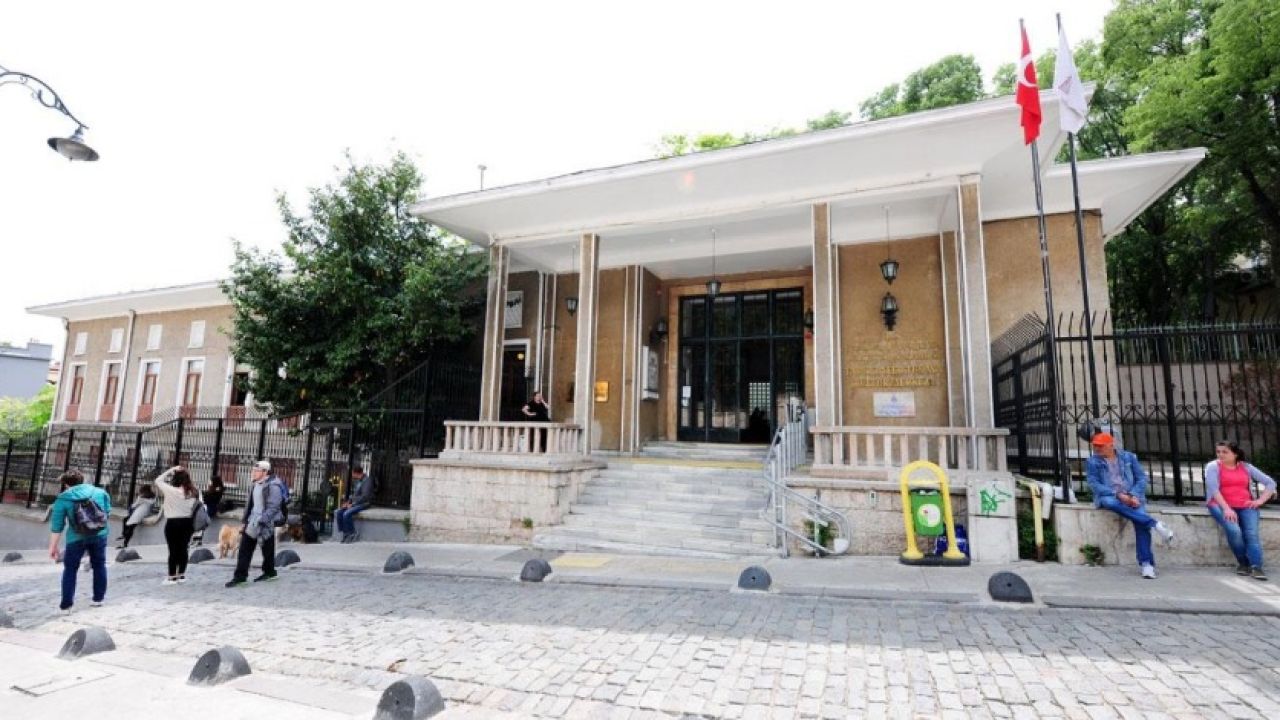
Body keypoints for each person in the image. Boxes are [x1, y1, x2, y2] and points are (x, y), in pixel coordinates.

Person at [1085, 432, 1176, 579]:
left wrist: (1133, 495)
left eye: (1100, 446)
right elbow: (1094, 484)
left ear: (1111, 445)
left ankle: (1147, 565)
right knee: (1109, 502)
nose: (1097, 448)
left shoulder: (1128, 457)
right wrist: (1118, 494)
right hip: (1111, 496)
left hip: (1133, 496)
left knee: (1141, 522)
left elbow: (1141, 478)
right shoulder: (1092, 462)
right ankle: (1155, 524)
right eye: (1095, 445)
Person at [1204, 440, 1276, 581]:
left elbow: (1270, 483)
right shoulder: (1213, 467)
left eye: (1225, 452)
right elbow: (1214, 489)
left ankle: (1256, 567)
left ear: (1235, 454)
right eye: (1218, 451)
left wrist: (1259, 501)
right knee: (1234, 530)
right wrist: (1227, 509)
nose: (1220, 455)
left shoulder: (1246, 467)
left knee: (1251, 534)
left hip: (1246, 505)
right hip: (1219, 504)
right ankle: (1244, 563)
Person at [48, 470, 111, 613]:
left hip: (76, 538)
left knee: (70, 569)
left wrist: (53, 546)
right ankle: (98, 599)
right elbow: (107, 512)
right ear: (82, 480)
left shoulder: (63, 499)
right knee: (99, 565)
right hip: (99, 535)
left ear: (66, 484)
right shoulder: (100, 492)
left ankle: (67, 605)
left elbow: (57, 526)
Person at [226, 459, 286, 587]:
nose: (253, 473)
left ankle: (269, 572)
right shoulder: (255, 484)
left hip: (265, 523)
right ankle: (240, 577)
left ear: (265, 472)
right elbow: (250, 505)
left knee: (267, 550)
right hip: (252, 522)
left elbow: (274, 507)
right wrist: (245, 521)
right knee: (245, 549)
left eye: (256, 471)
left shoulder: (273, 485)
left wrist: (263, 520)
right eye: (253, 470)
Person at [152, 466, 202, 585]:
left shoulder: (171, 491)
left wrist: (171, 469)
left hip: (173, 523)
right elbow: (200, 505)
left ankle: (172, 577)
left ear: (175, 479)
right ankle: (181, 575)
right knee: (184, 549)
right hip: (188, 523)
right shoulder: (194, 492)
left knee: (173, 550)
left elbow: (158, 480)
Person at [336, 466, 374, 543]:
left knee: (346, 514)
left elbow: (365, 497)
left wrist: (353, 505)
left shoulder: (367, 481)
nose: (352, 475)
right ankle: (345, 533)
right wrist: (348, 502)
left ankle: (352, 533)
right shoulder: (358, 481)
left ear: (356, 473)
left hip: (364, 503)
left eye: (352, 473)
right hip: (355, 503)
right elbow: (355, 495)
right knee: (339, 512)